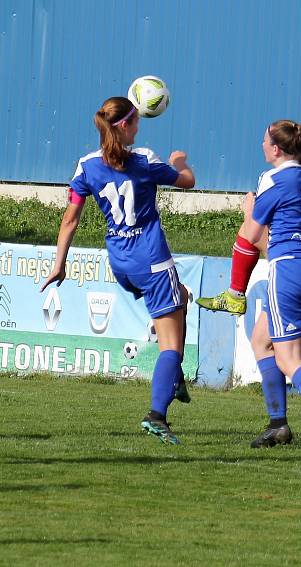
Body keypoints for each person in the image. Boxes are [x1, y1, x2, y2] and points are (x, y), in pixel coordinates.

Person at [40, 96, 196, 445]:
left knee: (181, 297)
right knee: (171, 344)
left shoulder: (86, 166)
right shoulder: (145, 160)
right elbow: (187, 181)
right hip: (152, 259)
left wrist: (59, 264)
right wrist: (180, 161)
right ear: (124, 125)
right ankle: (157, 414)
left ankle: (173, 378)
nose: (139, 127)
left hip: (121, 261)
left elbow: (70, 219)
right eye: (136, 121)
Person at [197, 131, 301, 448]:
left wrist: (252, 214)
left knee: (298, 360)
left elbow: (267, 239)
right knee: (262, 339)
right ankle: (278, 424)